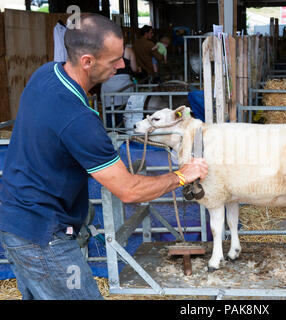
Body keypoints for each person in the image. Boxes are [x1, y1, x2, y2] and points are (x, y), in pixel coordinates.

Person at [0, 13, 208, 300]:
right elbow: (129, 190)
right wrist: (182, 175)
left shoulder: (46, 74)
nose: (122, 65)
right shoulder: (80, 120)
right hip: (44, 236)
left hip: (15, 222)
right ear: (87, 61)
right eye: (114, 61)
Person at [101, 44, 140, 129]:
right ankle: (124, 135)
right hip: (124, 83)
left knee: (109, 111)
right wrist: (138, 69)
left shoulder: (102, 50)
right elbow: (134, 68)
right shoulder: (128, 50)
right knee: (124, 110)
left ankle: (111, 134)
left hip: (108, 83)